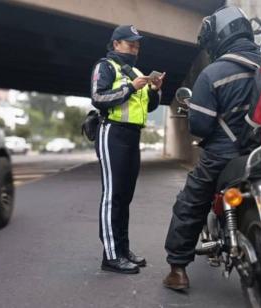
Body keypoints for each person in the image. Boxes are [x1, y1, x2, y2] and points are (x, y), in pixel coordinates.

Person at [163, 6, 261, 289]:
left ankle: (178, 270)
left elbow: (200, 127)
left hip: (224, 155)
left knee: (190, 203)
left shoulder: (213, 73)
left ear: (219, 37)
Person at [91, 25, 165, 274]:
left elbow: (148, 107)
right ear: (116, 44)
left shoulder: (137, 72)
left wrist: (154, 90)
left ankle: (123, 250)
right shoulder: (105, 67)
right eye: (130, 43)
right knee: (113, 196)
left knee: (125, 197)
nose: (135, 48)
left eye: (137, 45)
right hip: (112, 131)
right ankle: (110, 256)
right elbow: (98, 97)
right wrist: (131, 87)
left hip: (132, 135)